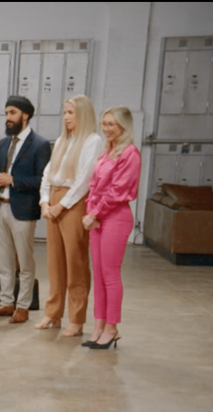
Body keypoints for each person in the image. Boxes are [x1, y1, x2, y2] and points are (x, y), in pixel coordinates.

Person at [0, 95, 51, 324]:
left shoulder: (40, 145)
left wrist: (13, 180)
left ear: (25, 115)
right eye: (6, 113)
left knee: (25, 262)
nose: (8, 117)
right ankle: (6, 302)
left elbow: (42, 180)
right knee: (4, 260)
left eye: (12, 113)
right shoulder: (4, 143)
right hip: (1, 208)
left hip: (23, 211)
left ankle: (23, 306)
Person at [37, 95, 104, 338]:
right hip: (55, 199)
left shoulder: (92, 141)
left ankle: (76, 319)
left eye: (71, 113)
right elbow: (48, 173)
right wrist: (45, 201)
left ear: (82, 115)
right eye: (65, 112)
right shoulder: (61, 141)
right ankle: (53, 313)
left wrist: (61, 205)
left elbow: (84, 180)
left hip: (74, 203)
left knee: (76, 262)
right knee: (54, 263)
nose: (66, 117)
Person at [82, 106, 140, 350]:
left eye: (111, 124)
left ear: (123, 127)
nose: (106, 129)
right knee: (98, 274)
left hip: (116, 217)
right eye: (104, 124)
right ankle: (98, 325)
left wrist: (95, 213)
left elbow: (117, 191)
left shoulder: (130, 154)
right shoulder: (106, 152)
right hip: (98, 217)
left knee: (110, 274)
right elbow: (94, 186)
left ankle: (112, 327)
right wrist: (91, 212)